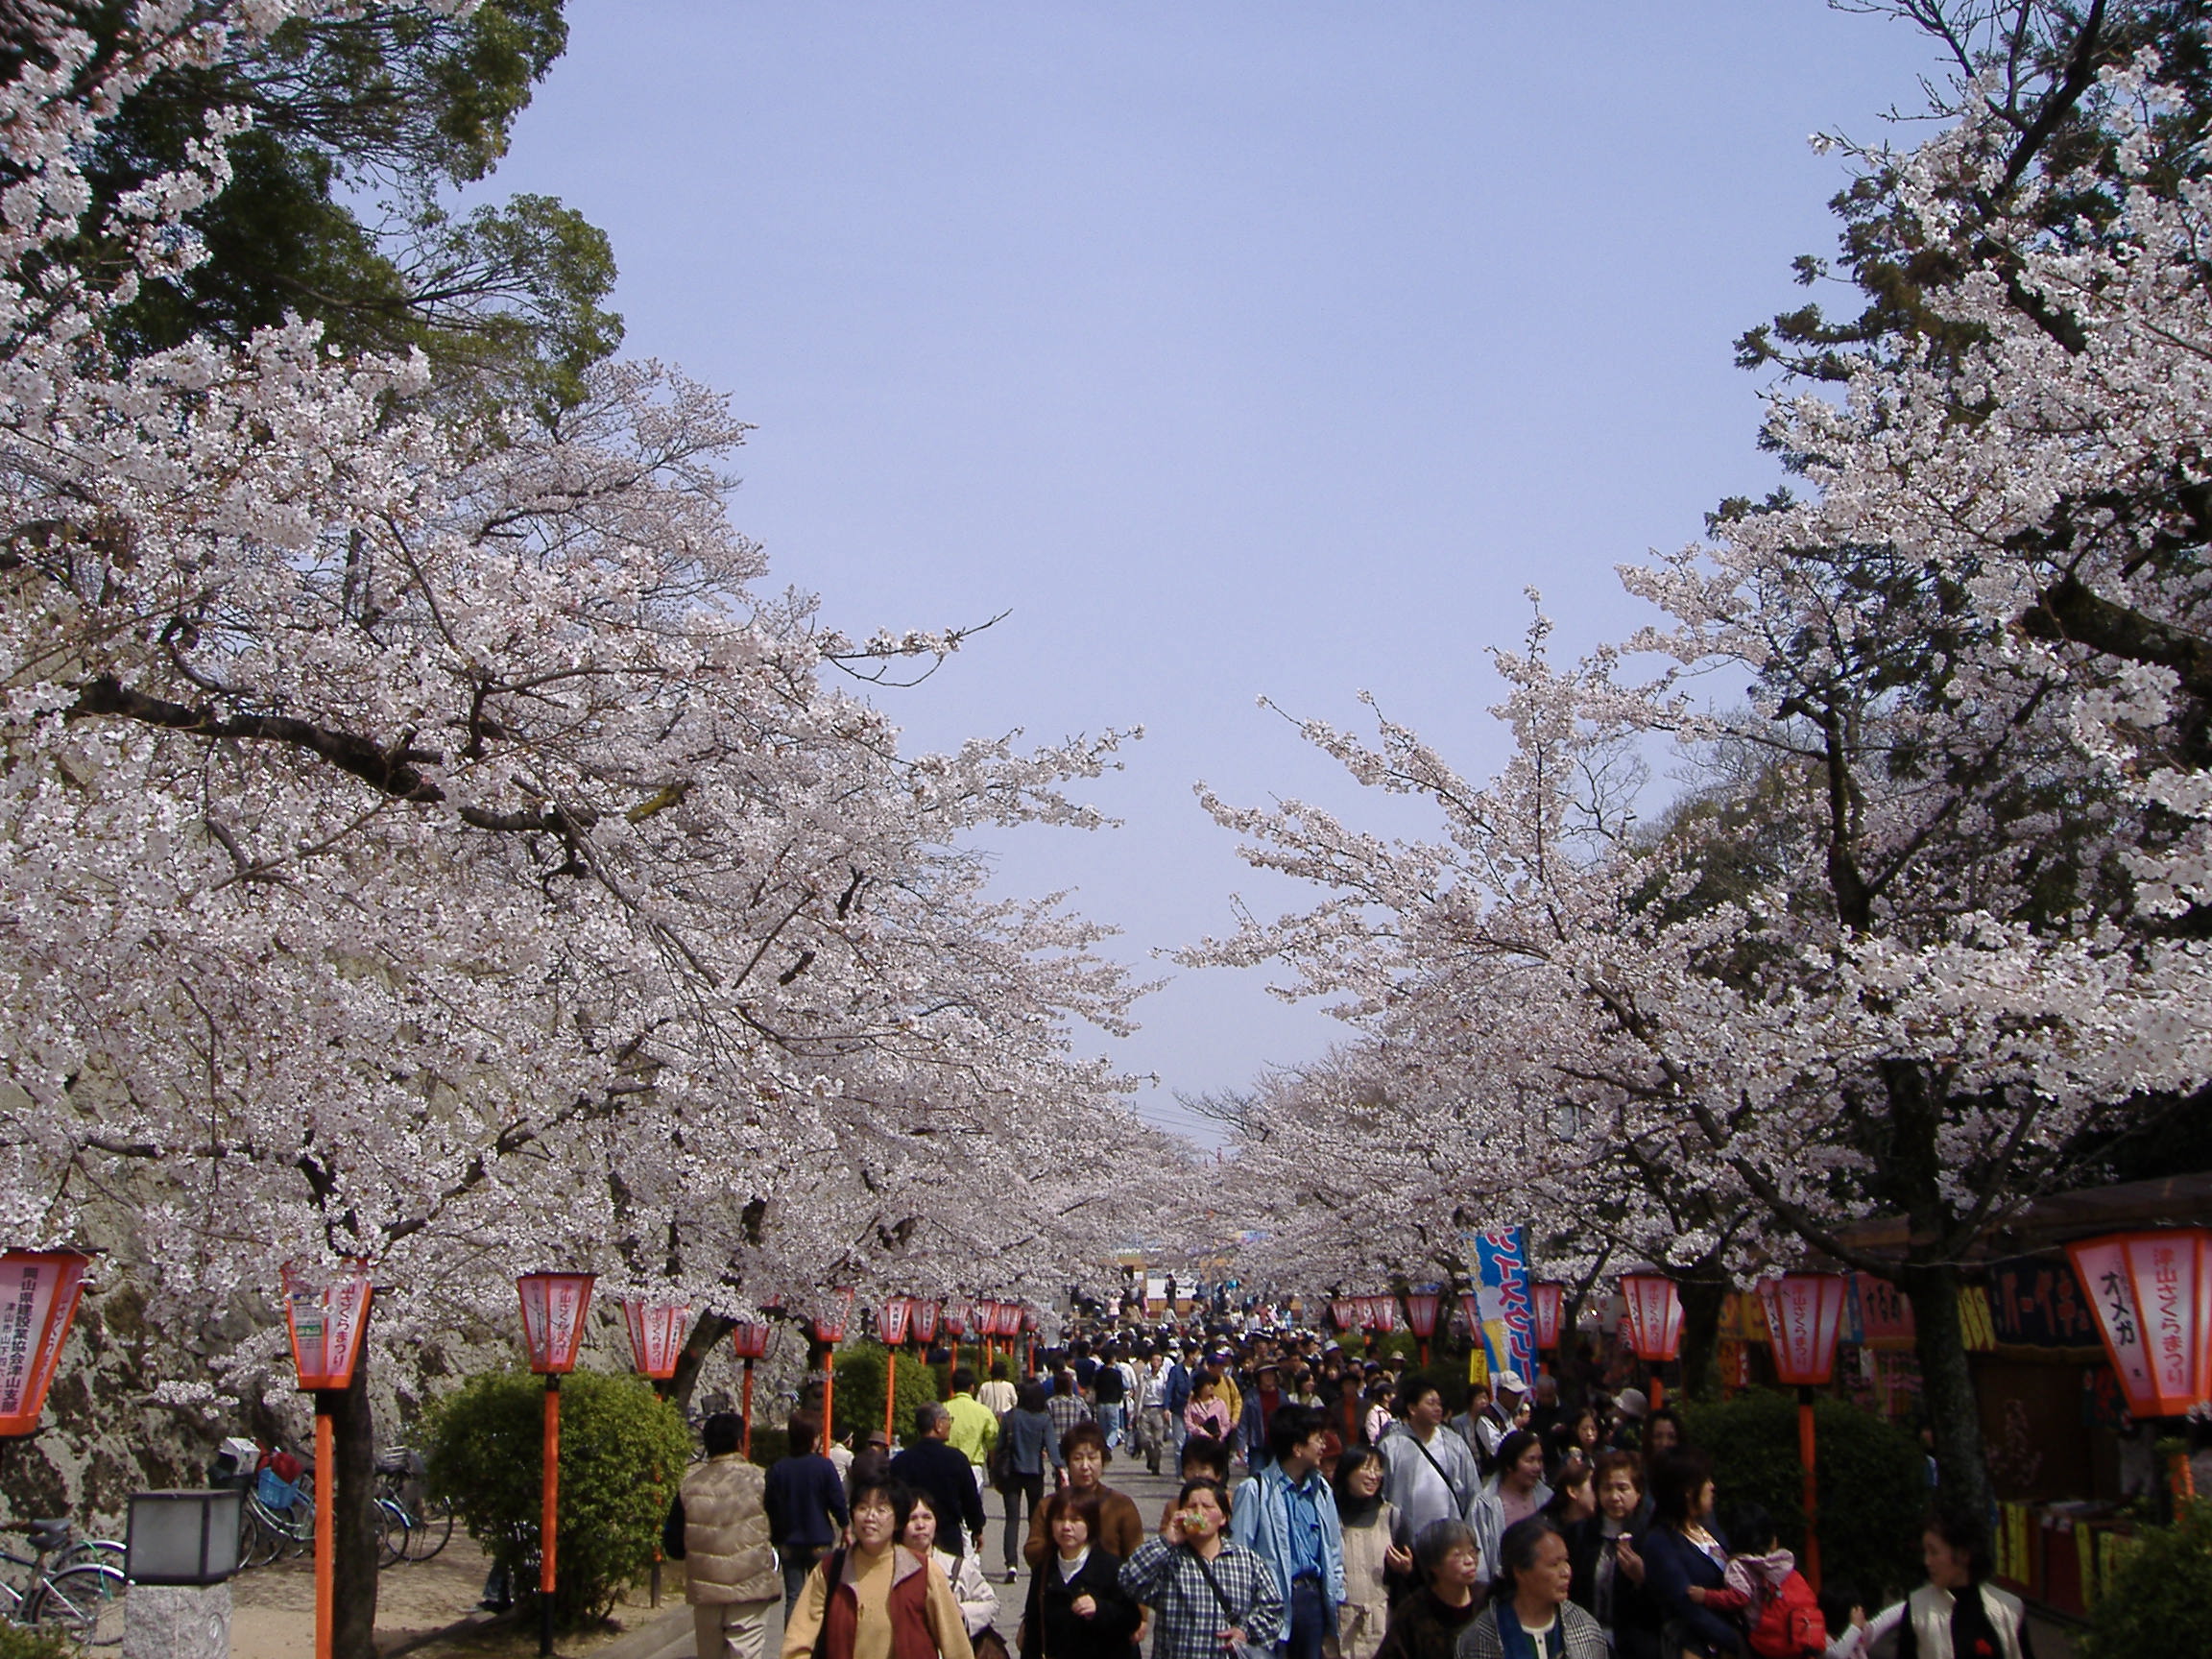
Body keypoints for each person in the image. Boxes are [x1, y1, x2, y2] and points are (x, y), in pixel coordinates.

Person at [782, 1477, 975, 1659]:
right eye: (862, 1508)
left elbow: (955, 1643)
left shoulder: (923, 1571)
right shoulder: (831, 1570)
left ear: (898, 1521)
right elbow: (798, 1638)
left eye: (881, 1510)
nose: (870, 1517)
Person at [1119, 1478, 1285, 1659]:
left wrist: (1247, 1631)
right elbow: (1129, 1582)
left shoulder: (1247, 1560)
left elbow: (1273, 1608)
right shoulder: (1167, 1558)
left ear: (1224, 1517)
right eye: (1191, 1506)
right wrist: (1167, 1541)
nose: (1199, 1512)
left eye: (1207, 1507)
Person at [1229, 1405, 1345, 1659]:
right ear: (1297, 1447)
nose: (1324, 1446)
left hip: (1313, 1599)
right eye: (1317, 1439)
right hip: (1271, 1603)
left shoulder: (1321, 1490)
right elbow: (1240, 1554)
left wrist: (1337, 1594)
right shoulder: (1254, 1490)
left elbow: (1334, 1548)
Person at [663, 1412, 780, 1659]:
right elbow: (781, 1528)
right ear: (740, 1442)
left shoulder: (688, 1488)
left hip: (707, 1595)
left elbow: (673, 1545)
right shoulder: (761, 1479)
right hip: (751, 1589)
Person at [1456, 1515, 1607, 1659]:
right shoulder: (1481, 1636)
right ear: (1520, 1572)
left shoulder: (1584, 1626)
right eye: (1554, 1564)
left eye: (1566, 1561)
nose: (1566, 1572)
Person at [1639, 1452, 1742, 1659]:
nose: (1712, 1486)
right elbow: (1687, 1607)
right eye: (1705, 1481)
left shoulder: (1709, 1527)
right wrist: (1738, 1641)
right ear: (1687, 1491)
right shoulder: (1660, 1543)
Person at [1021, 1487, 1142, 1659]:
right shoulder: (1044, 1569)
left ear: (1090, 1524)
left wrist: (1100, 1609)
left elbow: (1132, 1619)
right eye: (1060, 1519)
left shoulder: (1111, 1567)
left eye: (1075, 1519)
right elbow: (1033, 1629)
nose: (1066, 1527)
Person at [1897, 1509, 2032, 1659]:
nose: (1927, 1561)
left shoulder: (2008, 1609)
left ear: (1963, 1554)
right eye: (1925, 1552)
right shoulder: (1919, 1609)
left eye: (1934, 1552)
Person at [1563, 1452, 1659, 1659]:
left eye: (1623, 1488)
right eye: (1607, 1488)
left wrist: (1642, 1578)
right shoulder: (1578, 1534)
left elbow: (1666, 1604)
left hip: (1637, 1647)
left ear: (1638, 1491)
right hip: (1584, 1641)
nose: (1614, 1497)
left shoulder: (1652, 1538)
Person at [1025, 1422, 1145, 1571]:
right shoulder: (1050, 1505)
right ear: (1068, 1461)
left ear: (1103, 1460)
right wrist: (1062, 1543)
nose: (1085, 1466)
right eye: (1077, 1458)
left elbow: (1136, 1559)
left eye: (1092, 1458)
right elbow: (1031, 1553)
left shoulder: (1121, 1506)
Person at [767, 1410, 852, 1614]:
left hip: (789, 1540)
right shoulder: (823, 1466)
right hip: (819, 1537)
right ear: (813, 1439)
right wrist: (845, 1527)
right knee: (821, 1594)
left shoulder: (778, 1469)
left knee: (794, 1596)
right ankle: (820, 1641)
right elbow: (837, 1501)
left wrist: (777, 1537)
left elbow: (771, 1505)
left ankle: (792, 1642)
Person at [1331, 1447, 1411, 1659]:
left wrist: (1405, 1569)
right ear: (1347, 1472)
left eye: (1377, 1469)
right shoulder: (1328, 1514)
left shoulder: (1391, 1517)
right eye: (1366, 1468)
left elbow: (1412, 1575)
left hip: (1381, 1625)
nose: (1373, 1475)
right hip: (1339, 1626)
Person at [1378, 1382, 1480, 1544]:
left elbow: (1472, 1491)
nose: (1438, 1408)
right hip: (1406, 1542)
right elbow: (1382, 1495)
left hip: (1450, 1539)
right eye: (1431, 1403)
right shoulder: (1391, 1446)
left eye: (1439, 1404)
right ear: (1412, 1408)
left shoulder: (1454, 1443)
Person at [1721, 1504, 1824, 1659]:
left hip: (1765, 1646)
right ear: (1772, 1539)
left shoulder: (1738, 1567)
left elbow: (1739, 1598)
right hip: (1798, 1638)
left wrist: (1706, 1596)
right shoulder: (1784, 1564)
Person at [1374, 1520, 1484, 1659]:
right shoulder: (1413, 1613)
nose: (1469, 1560)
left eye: (1472, 1552)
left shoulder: (1489, 1601)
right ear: (1434, 1565)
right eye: (1458, 1555)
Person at [891, 1404, 989, 1561]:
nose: (950, 1424)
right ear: (938, 1424)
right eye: (948, 1419)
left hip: (911, 1536)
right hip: (948, 1535)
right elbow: (970, 1499)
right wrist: (977, 1528)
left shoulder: (900, 1461)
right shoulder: (956, 1459)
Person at [904, 1489, 999, 1644]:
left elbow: (991, 1603)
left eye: (927, 1517)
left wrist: (961, 1613)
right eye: (912, 1518)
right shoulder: (890, 1568)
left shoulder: (958, 1567)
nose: (920, 1525)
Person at [1000, 1382, 1064, 1583]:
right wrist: (1061, 1468)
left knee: (1012, 1519)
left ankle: (1011, 1564)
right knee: (1035, 1519)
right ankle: (1035, 1559)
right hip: (1034, 1472)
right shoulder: (1044, 1420)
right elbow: (1053, 1449)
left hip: (1012, 1472)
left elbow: (1000, 1444)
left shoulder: (1011, 1417)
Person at [1468, 1431, 1552, 1575]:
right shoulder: (1484, 1505)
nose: (1537, 1467)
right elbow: (1478, 1557)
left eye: (1540, 1460)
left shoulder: (1548, 1498)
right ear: (1509, 1465)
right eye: (1530, 1460)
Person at [944, 1368, 1001, 1485]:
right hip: (973, 1468)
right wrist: (994, 1467)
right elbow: (993, 1443)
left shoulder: (943, 1409)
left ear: (952, 1386)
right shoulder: (983, 1412)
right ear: (972, 1388)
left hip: (946, 1467)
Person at [1187, 1373, 1234, 1443]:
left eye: (1212, 1384)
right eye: (1208, 1384)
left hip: (1217, 1443)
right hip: (1199, 1443)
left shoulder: (1220, 1403)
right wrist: (1203, 1433)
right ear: (1200, 1387)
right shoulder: (1192, 1404)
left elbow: (1226, 1424)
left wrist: (1219, 1435)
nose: (1212, 1387)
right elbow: (1188, 1423)